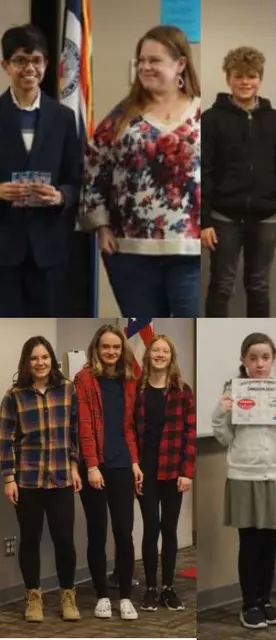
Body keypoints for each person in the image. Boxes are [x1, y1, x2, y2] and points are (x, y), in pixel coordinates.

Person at [80, 25, 201, 317]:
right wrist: (101, 225)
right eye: (142, 60)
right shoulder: (120, 117)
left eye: (155, 60)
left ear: (180, 64)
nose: (145, 67)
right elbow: (94, 169)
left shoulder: (202, 113)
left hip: (192, 252)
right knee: (148, 336)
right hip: (130, 252)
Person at [212, 333, 276, 630]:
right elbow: (225, 437)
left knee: (269, 542)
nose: (259, 364)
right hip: (244, 474)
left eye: (265, 357)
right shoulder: (234, 391)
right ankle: (249, 604)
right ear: (244, 360)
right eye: (252, 358)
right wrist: (221, 412)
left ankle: (265, 600)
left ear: (272, 359)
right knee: (249, 542)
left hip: (275, 473)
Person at [203, 46, 276, 317]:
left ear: (260, 79)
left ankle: (257, 337)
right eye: (238, 76)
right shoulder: (211, 120)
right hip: (224, 217)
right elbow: (204, 171)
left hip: (265, 216)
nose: (245, 82)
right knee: (222, 285)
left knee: (259, 285)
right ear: (228, 79)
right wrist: (204, 220)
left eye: (252, 76)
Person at [0, 25, 83, 317]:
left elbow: (75, 179)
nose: (29, 68)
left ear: (47, 65)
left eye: (36, 60)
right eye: (20, 60)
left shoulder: (63, 117)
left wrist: (60, 196)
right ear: (5, 65)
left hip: (48, 248)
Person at [1, 337, 81, 622]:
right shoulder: (14, 395)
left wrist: (74, 464)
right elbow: (5, 440)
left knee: (64, 540)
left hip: (60, 478)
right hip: (28, 480)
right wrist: (9, 478)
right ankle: (33, 597)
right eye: (34, 358)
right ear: (27, 361)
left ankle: (68, 596)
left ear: (52, 360)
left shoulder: (68, 389)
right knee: (30, 540)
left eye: (45, 357)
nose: (40, 362)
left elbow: (73, 432)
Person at [74, 324, 142, 621]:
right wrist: (90, 465)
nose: (111, 352)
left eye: (116, 347)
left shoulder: (130, 379)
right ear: (96, 349)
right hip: (95, 468)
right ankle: (102, 595)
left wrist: (135, 462)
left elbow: (130, 428)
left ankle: (125, 596)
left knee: (124, 534)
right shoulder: (84, 379)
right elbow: (85, 425)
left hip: (122, 465)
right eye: (106, 347)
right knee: (97, 533)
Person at [134, 335, 196, 612]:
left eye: (165, 351)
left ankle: (168, 588)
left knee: (169, 529)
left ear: (171, 358)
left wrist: (187, 472)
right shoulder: (138, 390)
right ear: (148, 355)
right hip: (145, 472)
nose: (160, 354)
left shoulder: (182, 390)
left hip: (173, 472)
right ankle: (150, 587)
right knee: (150, 530)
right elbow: (131, 431)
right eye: (155, 350)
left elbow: (190, 434)